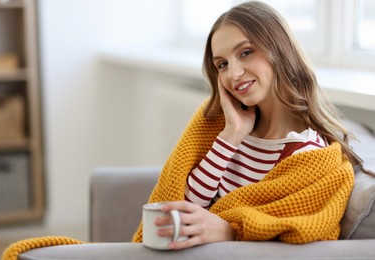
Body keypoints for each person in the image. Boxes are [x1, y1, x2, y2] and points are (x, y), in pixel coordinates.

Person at [132, 1, 360, 250]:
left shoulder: (308, 155)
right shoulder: (218, 123)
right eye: (222, 64)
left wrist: (230, 231)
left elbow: (298, 234)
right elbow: (173, 215)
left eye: (245, 52)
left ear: (279, 49)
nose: (234, 74)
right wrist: (231, 136)